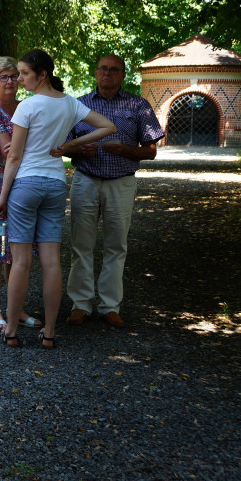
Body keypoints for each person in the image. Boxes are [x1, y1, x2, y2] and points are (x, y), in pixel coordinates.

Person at [0, 49, 116, 349]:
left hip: (25, 185)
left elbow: (15, 156)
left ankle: (10, 330)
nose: (19, 79)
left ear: (42, 74)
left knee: (20, 262)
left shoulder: (28, 107)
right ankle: (49, 332)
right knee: (51, 263)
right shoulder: (70, 103)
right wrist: (70, 143)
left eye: (23, 73)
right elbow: (108, 127)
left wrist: (2, 197)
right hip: (55, 185)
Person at [64, 55, 165, 328]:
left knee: (116, 246)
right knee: (81, 245)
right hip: (86, 179)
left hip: (121, 181)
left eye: (114, 70)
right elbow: (62, 145)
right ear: (96, 72)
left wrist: (125, 150)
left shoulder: (138, 105)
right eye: (103, 69)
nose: (107, 73)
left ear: (123, 75)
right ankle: (81, 305)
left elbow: (152, 152)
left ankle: (110, 306)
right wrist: (78, 148)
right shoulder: (77, 105)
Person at [0, 57, 42, 331]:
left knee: (19, 245)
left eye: (14, 76)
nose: (11, 81)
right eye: (4, 77)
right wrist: (40, 142)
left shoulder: (26, 106)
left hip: (25, 183)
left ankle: (16, 307)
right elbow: (5, 150)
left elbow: (18, 146)